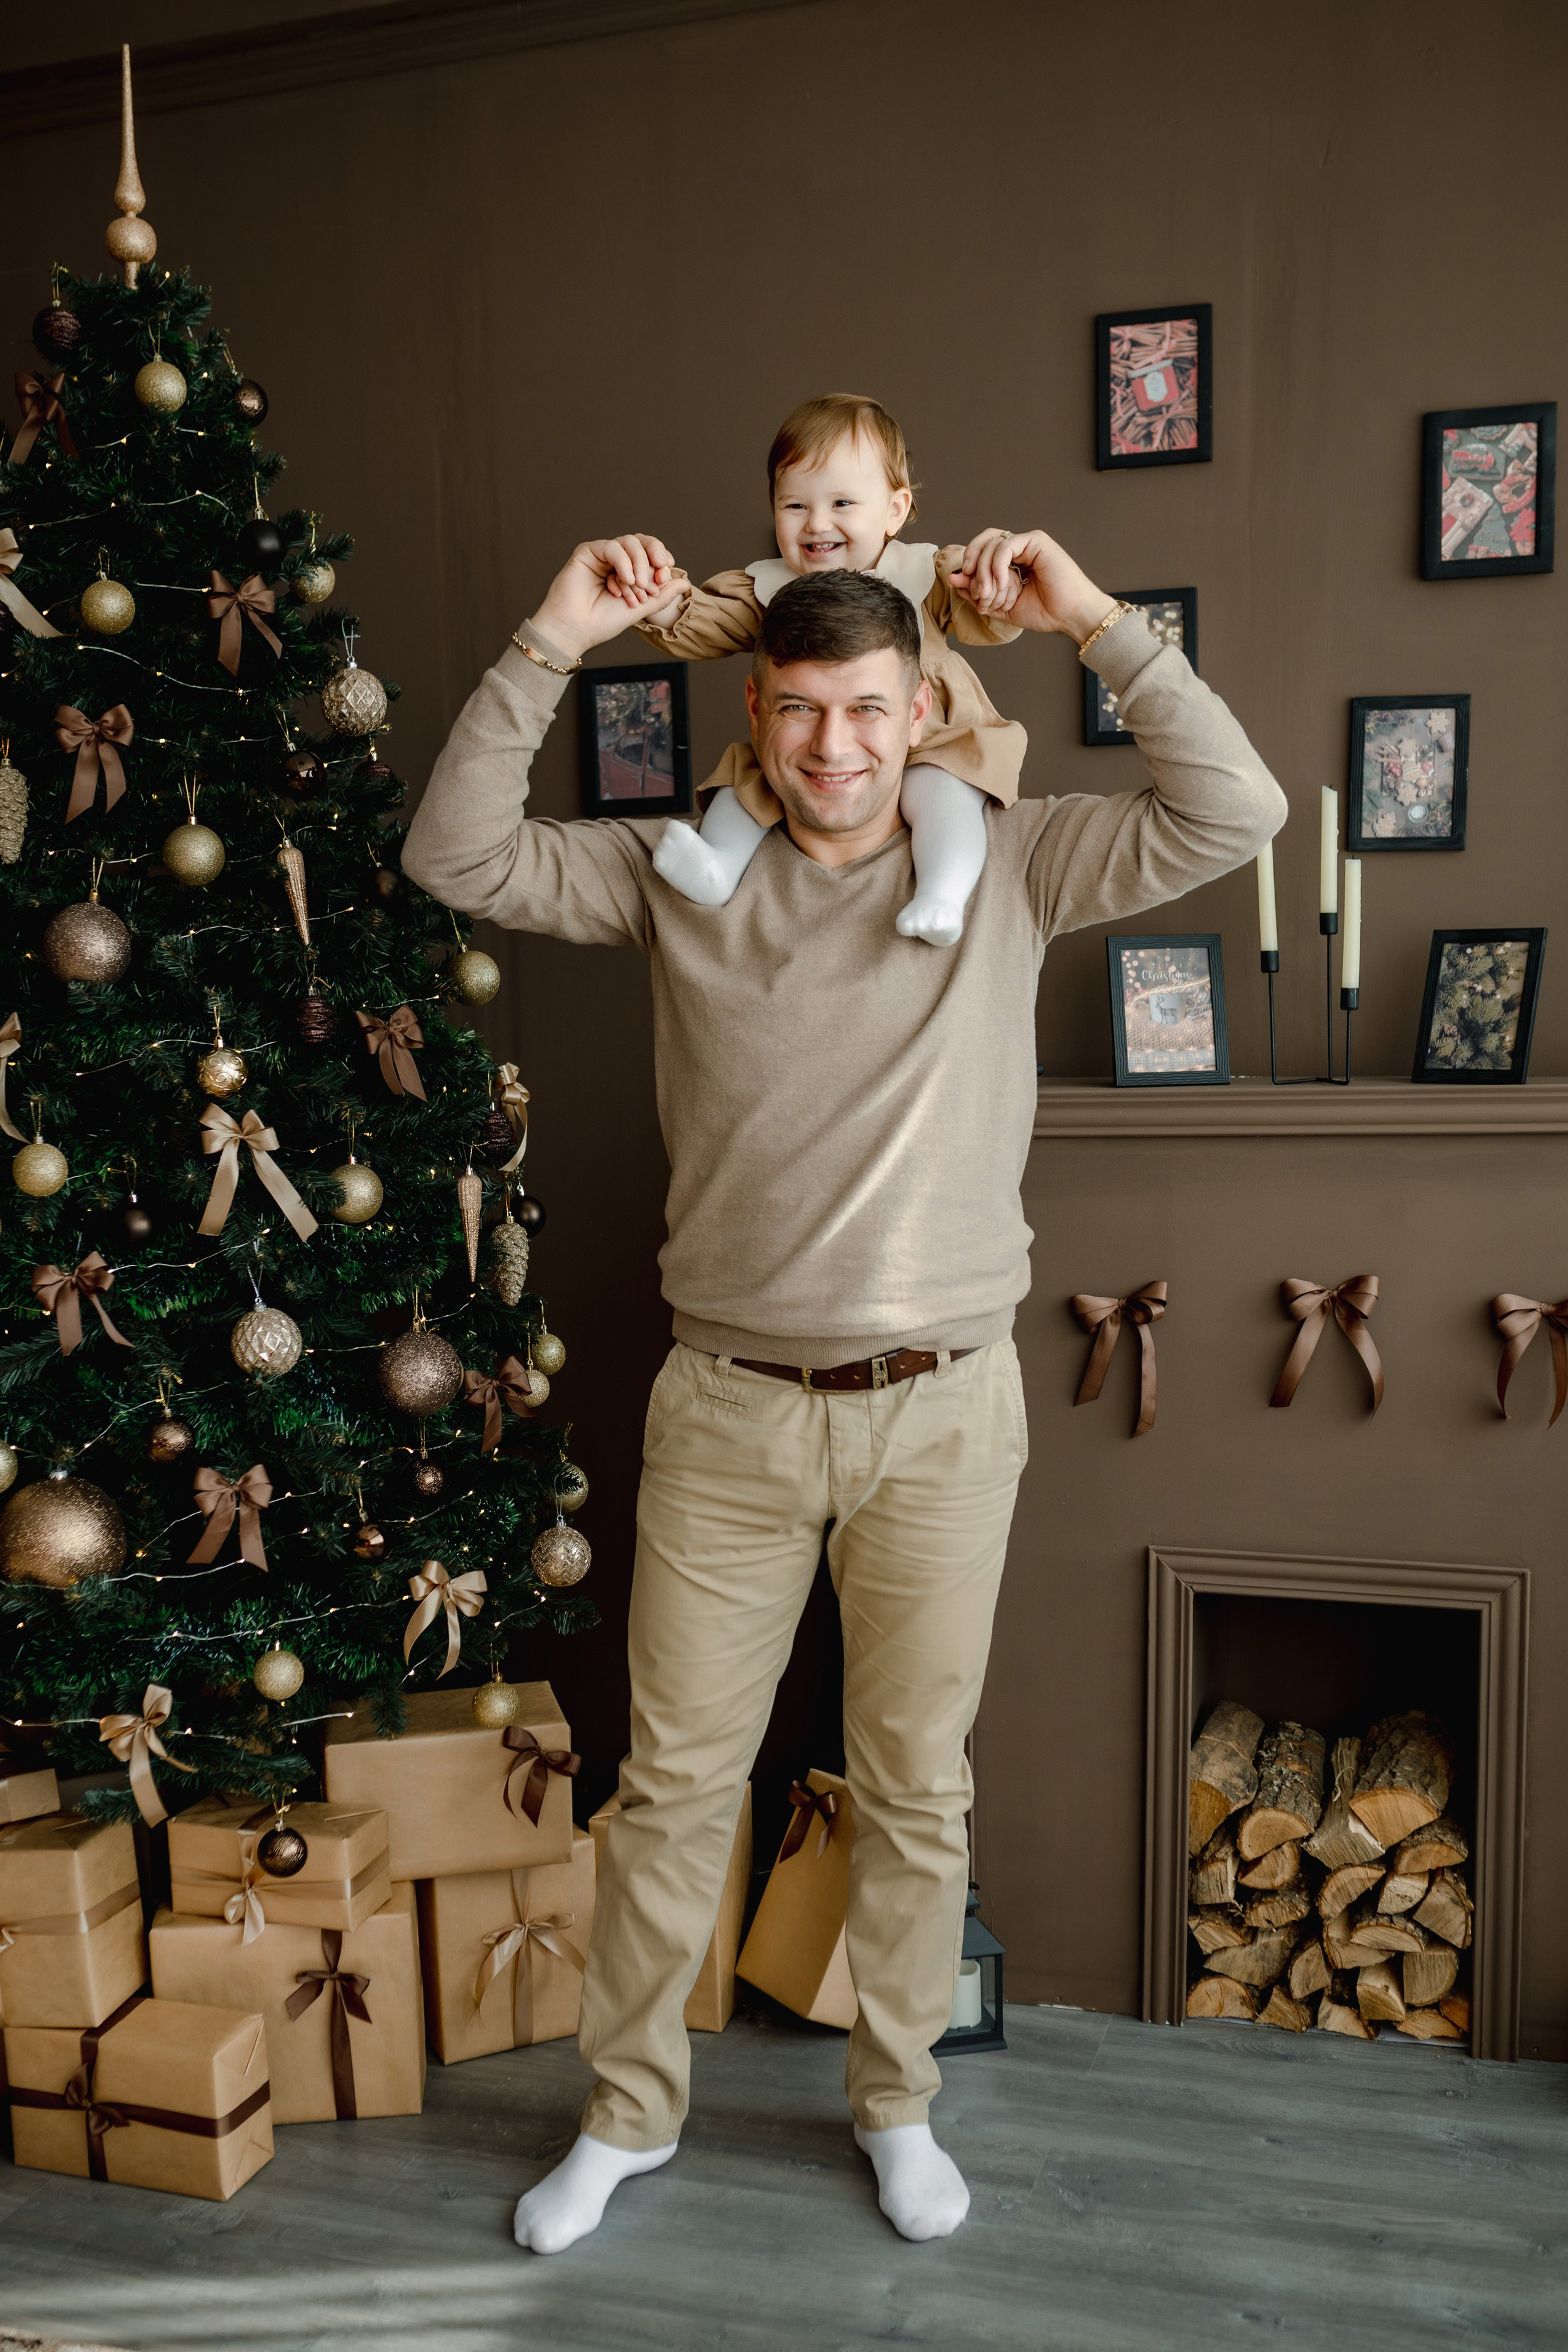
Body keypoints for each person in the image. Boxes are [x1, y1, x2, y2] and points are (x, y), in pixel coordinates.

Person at [403, 527, 1285, 2256]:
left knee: (916, 1786)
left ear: (923, 707)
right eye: (803, 714)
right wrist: (552, 635)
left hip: (945, 1406)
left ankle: (896, 2105)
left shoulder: (1020, 860)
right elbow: (453, 855)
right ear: (759, 708)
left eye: (871, 712)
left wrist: (1096, 622)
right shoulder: (681, 874)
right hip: (729, 1406)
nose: (836, 750)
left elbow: (1238, 810)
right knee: (671, 1789)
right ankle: (629, 2115)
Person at [622, 391, 1028, 946]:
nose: (816, 524)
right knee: (747, 785)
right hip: (809, 756)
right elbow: (708, 620)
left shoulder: (925, 573)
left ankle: (942, 893)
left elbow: (988, 613)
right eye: (795, 506)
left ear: (895, 509)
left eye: (841, 504)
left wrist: (997, 578)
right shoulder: (767, 589)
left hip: (933, 739)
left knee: (944, 793)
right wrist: (659, 600)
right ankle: (717, 868)